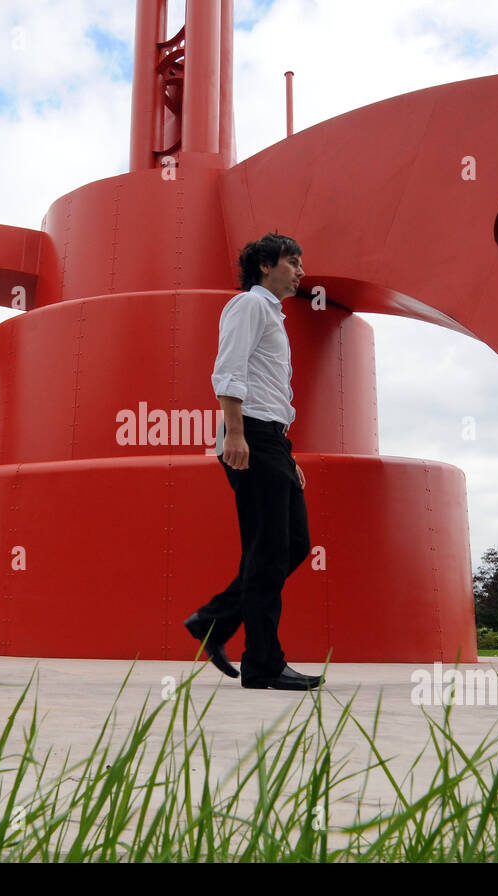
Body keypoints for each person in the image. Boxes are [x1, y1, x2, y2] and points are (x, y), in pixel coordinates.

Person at [184, 232, 324, 691]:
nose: (301, 271)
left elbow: (271, 390)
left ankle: (216, 618)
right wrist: (237, 433)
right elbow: (229, 367)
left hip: (272, 441)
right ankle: (263, 663)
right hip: (251, 435)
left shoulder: (274, 317)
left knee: (293, 545)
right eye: (293, 262)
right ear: (265, 265)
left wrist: (287, 452)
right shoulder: (248, 306)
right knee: (266, 553)